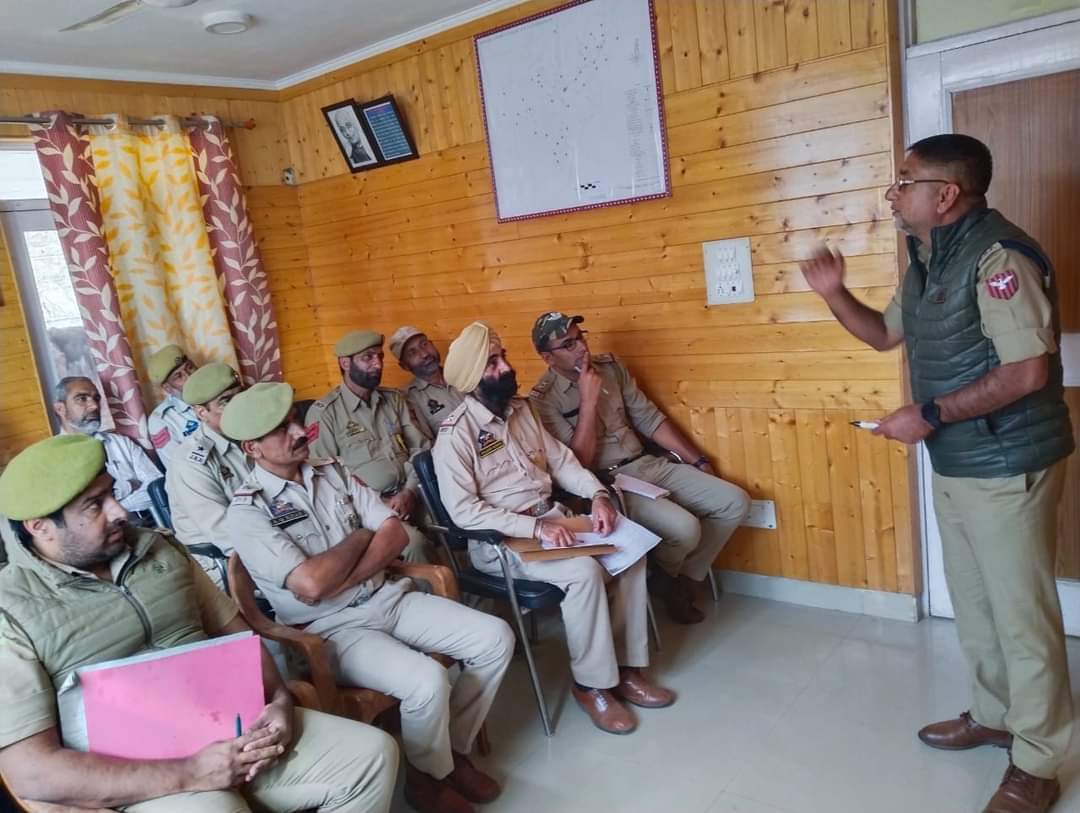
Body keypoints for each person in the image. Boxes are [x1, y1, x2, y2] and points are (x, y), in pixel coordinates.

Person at [800, 133, 1073, 813]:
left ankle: (1040, 758)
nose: (893, 193)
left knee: (1021, 616)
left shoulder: (998, 258)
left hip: (1008, 460)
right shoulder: (927, 258)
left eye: (904, 180)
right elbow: (883, 333)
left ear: (944, 195)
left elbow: (1026, 371)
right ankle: (994, 714)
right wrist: (835, 294)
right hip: (959, 456)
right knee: (976, 603)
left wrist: (927, 412)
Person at [0, 434, 398, 813]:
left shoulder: (159, 548)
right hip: (135, 776)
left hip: (233, 730)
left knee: (372, 756)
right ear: (40, 526)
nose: (120, 511)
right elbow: (31, 770)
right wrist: (189, 774)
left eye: (112, 493)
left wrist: (278, 702)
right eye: (94, 504)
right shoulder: (11, 609)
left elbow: (239, 635)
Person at [222, 382, 513, 813]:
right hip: (332, 630)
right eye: (282, 429)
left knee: (495, 638)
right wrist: (361, 536)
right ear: (252, 448)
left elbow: (394, 531)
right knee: (426, 680)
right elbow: (311, 586)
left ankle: (447, 755)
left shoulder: (332, 469)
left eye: (295, 421)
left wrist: (349, 568)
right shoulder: (248, 513)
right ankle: (428, 779)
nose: (300, 432)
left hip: (388, 597)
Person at [432, 321, 673, 735]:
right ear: (472, 379)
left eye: (503, 355)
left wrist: (597, 495)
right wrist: (534, 529)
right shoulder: (455, 438)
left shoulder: (522, 409)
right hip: (504, 541)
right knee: (583, 573)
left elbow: (562, 462)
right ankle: (591, 685)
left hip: (554, 517)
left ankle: (628, 669)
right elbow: (465, 513)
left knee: (631, 551)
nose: (506, 366)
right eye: (493, 363)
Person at [530, 312, 751, 624]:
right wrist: (587, 401)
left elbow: (649, 419)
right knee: (686, 529)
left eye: (580, 337)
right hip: (609, 483)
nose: (581, 348)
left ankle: (678, 579)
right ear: (548, 358)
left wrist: (697, 460)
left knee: (734, 501)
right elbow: (578, 464)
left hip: (647, 463)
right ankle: (672, 582)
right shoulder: (542, 400)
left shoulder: (610, 368)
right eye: (568, 344)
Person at [307, 330, 433, 562]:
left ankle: (471, 596)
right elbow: (324, 479)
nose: (377, 364)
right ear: (345, 363)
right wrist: (375, 502)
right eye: (368, 358)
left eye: (379, 356)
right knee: (414, 544)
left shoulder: (394, 399)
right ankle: (429, 595)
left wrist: (410, 490)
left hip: (414, 492)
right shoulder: (325, 413)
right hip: (368, 508)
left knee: (455, 521)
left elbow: (421, 449)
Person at [164, 363, 248, 589]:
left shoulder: (251, 436)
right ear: (202, 413)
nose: (239, 406)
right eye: (226, 401)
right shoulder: (190, 463)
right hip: (223, 564)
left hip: (265, 540)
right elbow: (227, 536)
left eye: (241, 395)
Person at [53, 376, 161, 526]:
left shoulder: (121, 443)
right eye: (82, 398)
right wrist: (131, 485)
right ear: (60, 408)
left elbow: (157, 484)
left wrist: (118, 507)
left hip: (151, 523)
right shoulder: (54, 457)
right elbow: (78, 511)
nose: (94, 406)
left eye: (96, 398)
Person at [390, 325, 464, 439]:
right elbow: (428, 447)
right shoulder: (408, 399)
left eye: (424, 344)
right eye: (412, 353)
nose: (424, 354)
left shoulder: (464, 372)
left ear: (432, 344)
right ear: (404, 366)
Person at [146, 344, 200, 467]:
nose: (190, 376)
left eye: (190, 367)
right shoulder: (161, 419)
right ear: (167, 388)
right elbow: (179, 467)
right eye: (178, 376)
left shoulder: (220, 391)